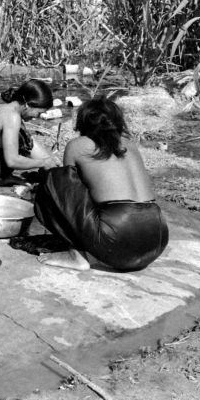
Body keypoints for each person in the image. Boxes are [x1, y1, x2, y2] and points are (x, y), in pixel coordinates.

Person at [34, 97, 169, 272]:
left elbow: (67, 190)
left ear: (83, 122)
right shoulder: (130, 145)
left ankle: (76, 256)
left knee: (53, 178)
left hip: (117, 236)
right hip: (156, 238)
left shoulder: (78, 145)